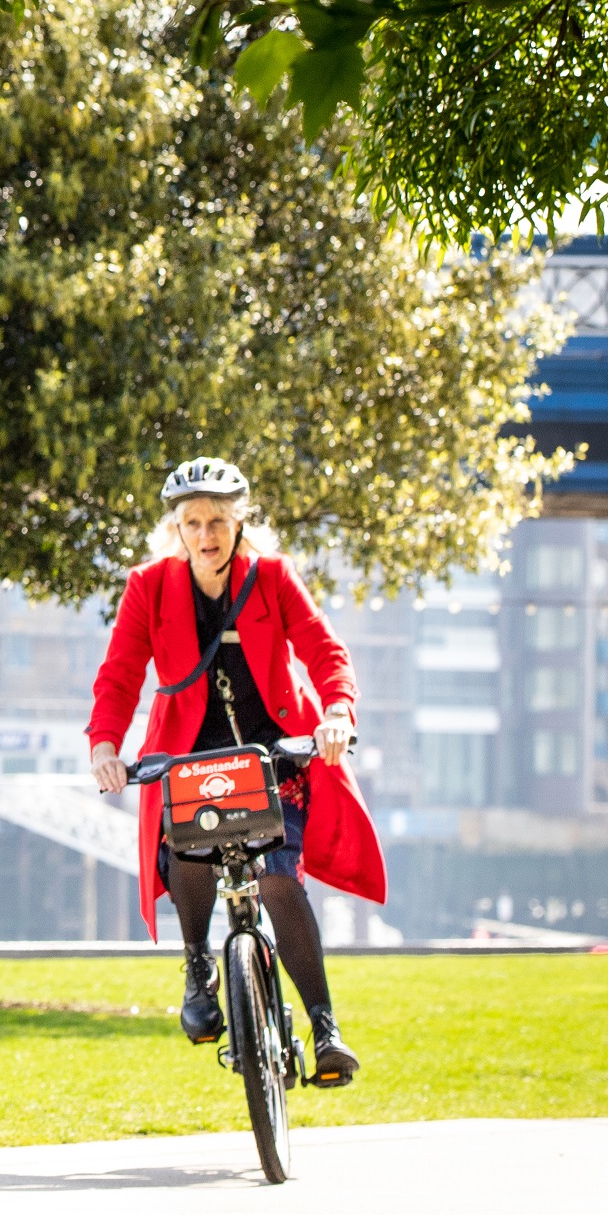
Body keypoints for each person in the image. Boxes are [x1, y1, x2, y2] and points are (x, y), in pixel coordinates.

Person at [87, 459, 384, 1080]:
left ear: (239, 520)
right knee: (188, 852)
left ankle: (325, 1029)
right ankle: (198, 964)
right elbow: (118, 677)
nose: (205, 534)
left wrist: (335, 714)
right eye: (192, 522)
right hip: (187, 758)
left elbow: (325, 652)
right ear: (177, 529)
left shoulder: (272, 578)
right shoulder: (149, 586)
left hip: (274, 754)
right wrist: (105, 747)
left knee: (279, 879)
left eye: (217, 520)